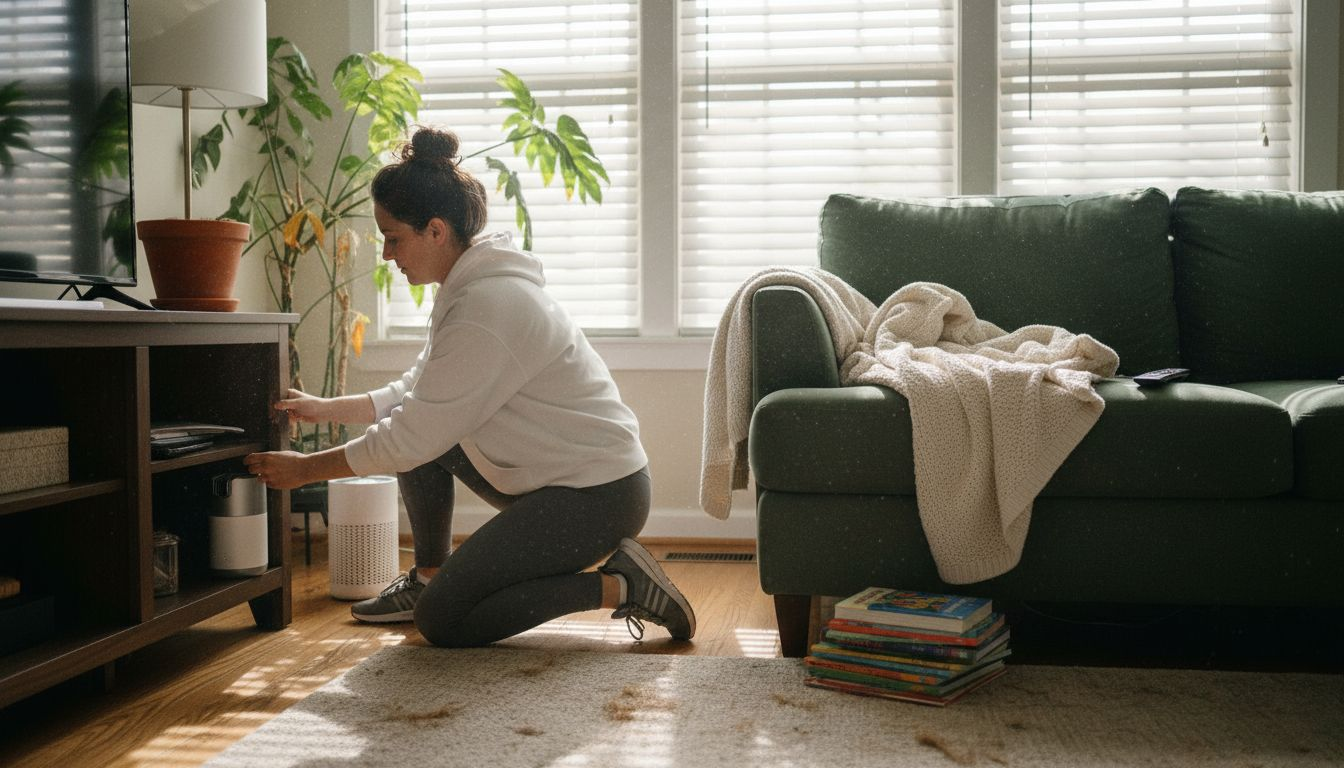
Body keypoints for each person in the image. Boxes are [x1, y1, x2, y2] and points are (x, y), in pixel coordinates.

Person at [244, 127, 694, 647]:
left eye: (394, 238)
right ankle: (429, 577)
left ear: (435, 230)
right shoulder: (469, 289)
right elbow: (423, 392)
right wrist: (328, 409)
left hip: (598, 497)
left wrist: (306, 470)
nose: (388, 254)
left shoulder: (487, 308)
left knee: (445, 622)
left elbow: (410, 435)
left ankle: (623, 584)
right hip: (557, 483)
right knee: (427, 441)